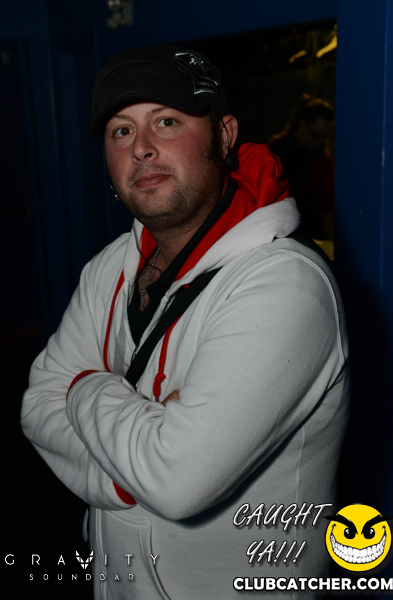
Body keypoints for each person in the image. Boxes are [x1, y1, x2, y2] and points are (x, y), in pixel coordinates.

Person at [21, 46, 349, 599]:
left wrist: (83, 387)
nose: (141, 148)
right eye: (121, 131)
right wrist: (130, 474)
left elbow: (177, 480)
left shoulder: (286, 284)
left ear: (224, 135)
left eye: (167, 121)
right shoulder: (109, 267)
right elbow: (36, 407)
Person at [268, 94, 335, 240]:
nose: (319, 142)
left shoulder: (323, 159)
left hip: (311, 232)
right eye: (315, 135)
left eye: (324, 137)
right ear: (302, 123)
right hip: (276, 228)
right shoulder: (275, 149)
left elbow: (328, 203)